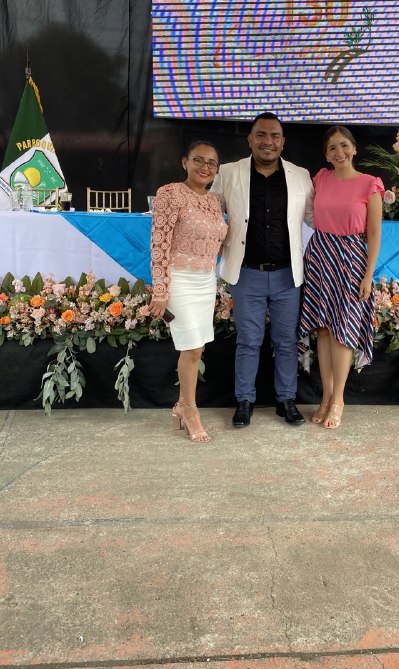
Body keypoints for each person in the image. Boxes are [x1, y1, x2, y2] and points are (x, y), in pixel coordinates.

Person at [211, 112, 314, 428]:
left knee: (286, 341)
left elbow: (316, 218)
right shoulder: (228, 173)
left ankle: (286, 400)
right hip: (246, 274)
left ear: (283, 142)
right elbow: (209, 213)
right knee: (248, 341)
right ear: (250, 139)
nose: (268, 141)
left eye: (274, 136)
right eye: (261, 134)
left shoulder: (301, 175)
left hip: (287, 275)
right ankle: (244, 401)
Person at [299, 125, 383, 429]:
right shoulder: (320, 178)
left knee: (342, 329)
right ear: (326, 154)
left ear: (354, 148)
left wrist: (368, 276)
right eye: (332, 147)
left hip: (351, 261)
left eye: (344, 145)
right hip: (320, 256)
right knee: (323, 329)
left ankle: (338, 400)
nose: (339, 152)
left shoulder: (370, 185)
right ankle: (325, 397)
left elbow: (374, 234)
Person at [149, 140, 228, 443]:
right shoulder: (170, 194)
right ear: (185, 162)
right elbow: (159, 244)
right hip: (179, 280)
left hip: (206, 281)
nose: (205, 167)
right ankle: (191, 411)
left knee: (197, 347)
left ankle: (181, 405)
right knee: (192, 348)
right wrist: (160, 291)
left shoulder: (215, 201)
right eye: (199, 160)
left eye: (212, 163)